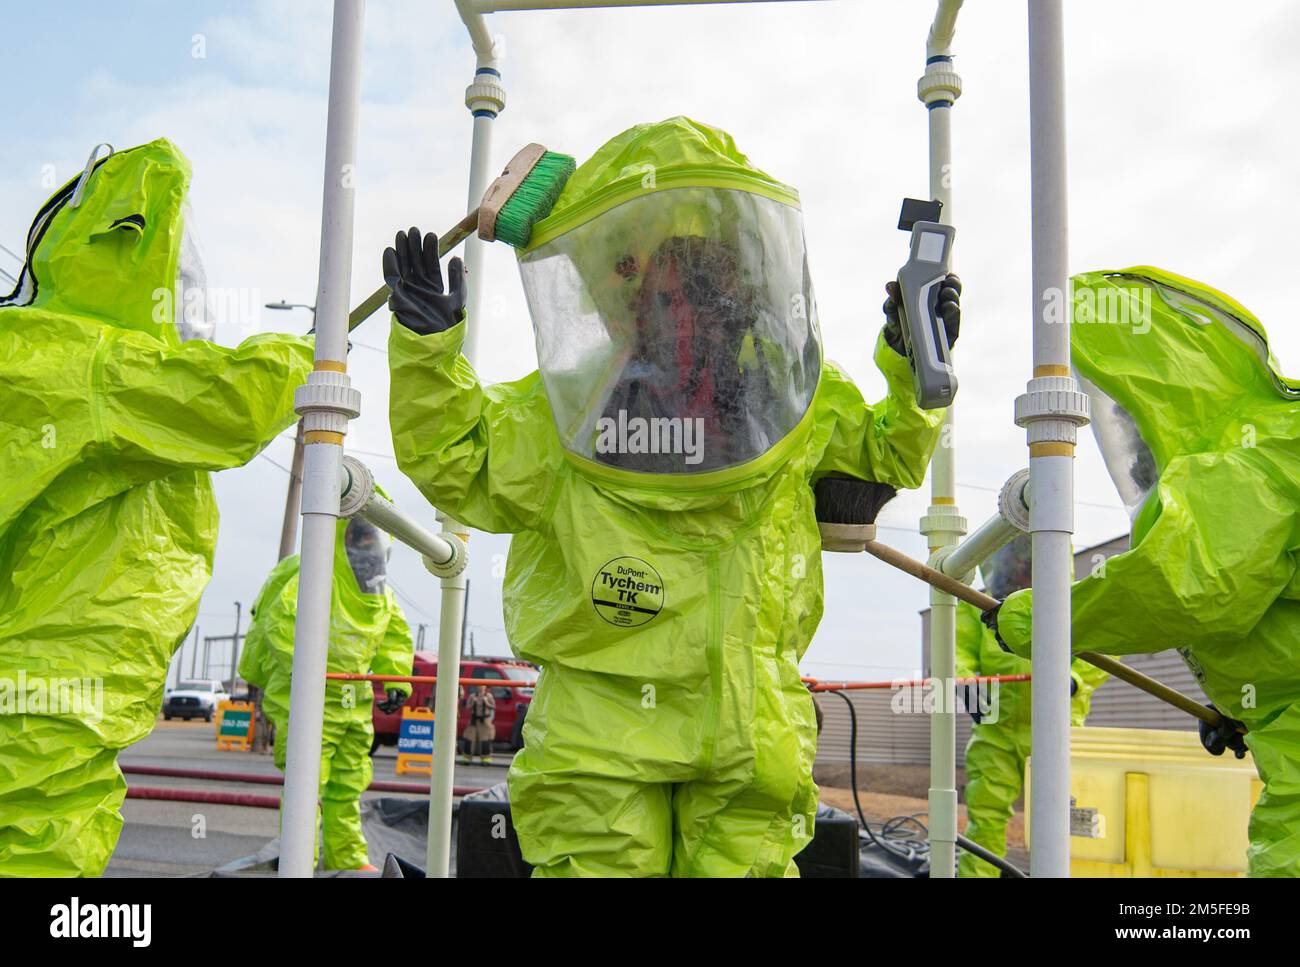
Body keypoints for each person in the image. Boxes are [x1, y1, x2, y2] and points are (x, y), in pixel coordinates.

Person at [385, 117, 960, 876]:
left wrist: (916, 353)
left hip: (734, 729)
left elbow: (888, 449)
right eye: (676, 286)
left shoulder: (790, 404)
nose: (692, 306)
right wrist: (429, 352)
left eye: (706, 281)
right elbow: (462, 462)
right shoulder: (581, 409)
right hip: (617, 735)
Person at [0, 139, 313, 877]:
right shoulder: (88, 362)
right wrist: (309, 354)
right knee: (39, 849)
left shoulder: (39, 352)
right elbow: (231, 405)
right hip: (47, 693)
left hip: (47, 682)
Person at [986, 266, 1299, 877]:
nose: (1123, 438)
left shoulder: (1246, 458)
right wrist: (1244, 710)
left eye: (1119, 409)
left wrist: (1034, 620)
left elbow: (1183, 588)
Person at [239, 514, 414, 871]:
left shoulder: (379, 594)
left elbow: (394, 636)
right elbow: (281, 626)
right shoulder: (315, 577)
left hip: (353, 700)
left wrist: (397, 680)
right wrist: (309, 672)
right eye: (361, 542)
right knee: (306, 787)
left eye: (372, 543)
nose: (369, 553)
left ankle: (345, 857)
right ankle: (299, 860)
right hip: (310, 701)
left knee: (348, 783)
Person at [955, 536, 1108, 877]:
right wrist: (963, 681)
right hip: (996, 733)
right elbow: (957, 649)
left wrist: (1073, 680)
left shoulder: (1073, 602)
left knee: (1067, 826)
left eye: (1028, 567)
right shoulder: (979, 604)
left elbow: (1107, 648)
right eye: (1015, 568)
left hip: (1058, 734)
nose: (1021, 576)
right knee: (986, 822)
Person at [460, 685, 496, 766]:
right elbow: (467, 707)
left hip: (484, 721)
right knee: (469, 739)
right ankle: (466, 758)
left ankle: (486, 759)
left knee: (485, 741)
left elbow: (493, 706)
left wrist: (486, 702)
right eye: (479, 686)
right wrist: (473, 702)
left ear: (485, 687)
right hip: (474, 720)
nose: (480, 687)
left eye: (482, 686)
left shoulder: (489, 696)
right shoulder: (472, 696)